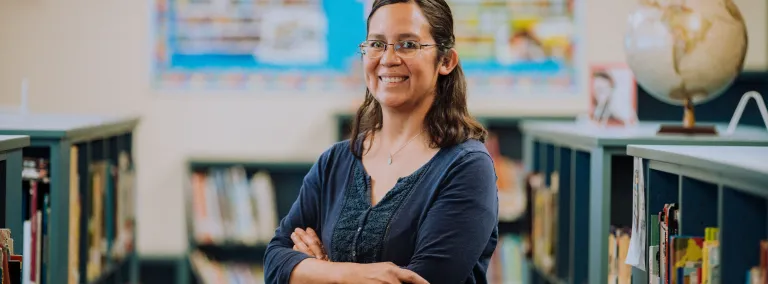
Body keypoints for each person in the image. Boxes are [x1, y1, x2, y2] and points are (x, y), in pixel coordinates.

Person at [263, 0, 499, 283]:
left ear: (445, 61)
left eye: (408, 45)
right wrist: (348, 274)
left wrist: (315, 271)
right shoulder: (335, 161)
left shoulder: (466, 167)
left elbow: (423, 281)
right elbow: (275, 263)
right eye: (376, 44)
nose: (387, 59)